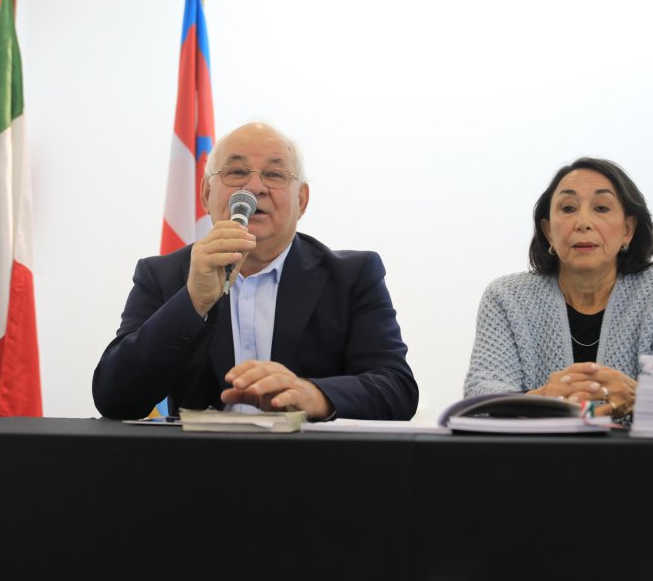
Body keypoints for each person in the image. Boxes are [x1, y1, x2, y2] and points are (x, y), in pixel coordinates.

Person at [93, 122, 417, 421]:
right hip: (198, 472)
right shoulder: (162, 275)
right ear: (206, 194)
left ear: (301, 200)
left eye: (274, 175)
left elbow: (397, 389)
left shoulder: (352, 276)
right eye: (236, 172)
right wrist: (192, 302)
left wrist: (314, 395)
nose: (254, 187)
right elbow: (115, 398)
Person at [464, 157, 653, 419]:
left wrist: (636, 398)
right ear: (549, 231)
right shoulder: (506, 297)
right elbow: (479, 399)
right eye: (568, 208)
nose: (583, 222)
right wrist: (543, 399)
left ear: (628, 230)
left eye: (601, 208)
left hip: (641, 458)